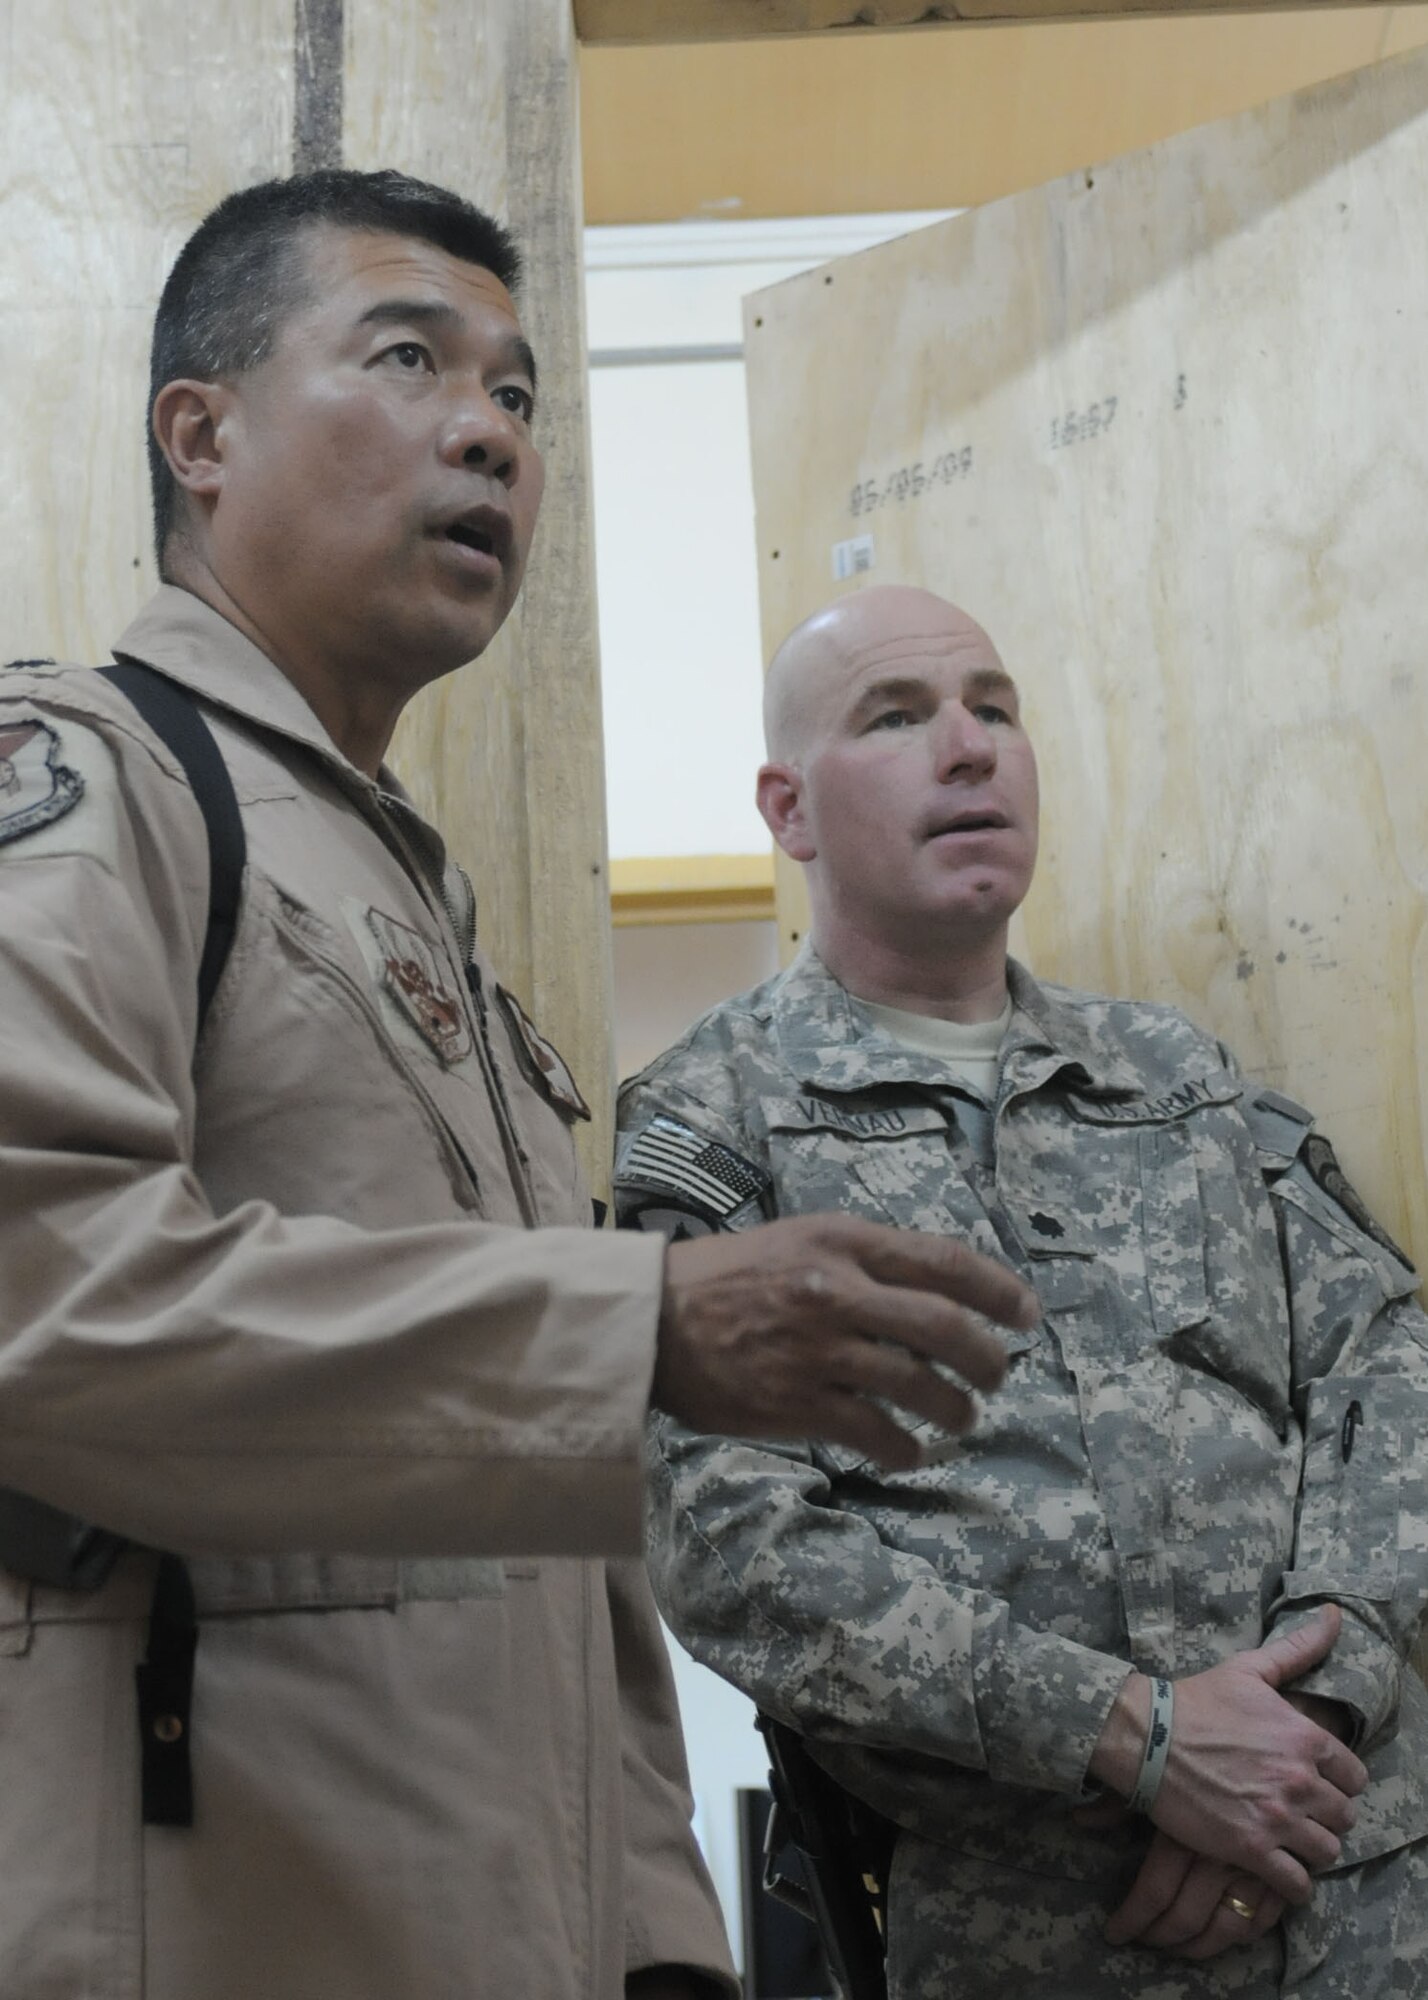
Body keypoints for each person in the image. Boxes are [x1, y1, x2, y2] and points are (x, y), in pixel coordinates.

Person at [0, 186, 1037, 2000]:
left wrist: (653, 1935)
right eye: (409, 359)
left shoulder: (410, 901)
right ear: (202, 433)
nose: (490, 428)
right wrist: (634, 1321)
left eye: (522, 394)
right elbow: (38, 1302)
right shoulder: (104, 778)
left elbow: (539, 1560)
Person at [616, 585, 1428, 1998]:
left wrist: (1317, 1699)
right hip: (1034, 1929)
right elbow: (731, 1543)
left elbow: (1388, 1363)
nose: (971, 746)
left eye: (995, 707)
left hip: (1352, 1885)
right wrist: (1137, 1736)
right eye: (897, 716)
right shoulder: (717, 1118)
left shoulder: (1180, 1080)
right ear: (789, 808)